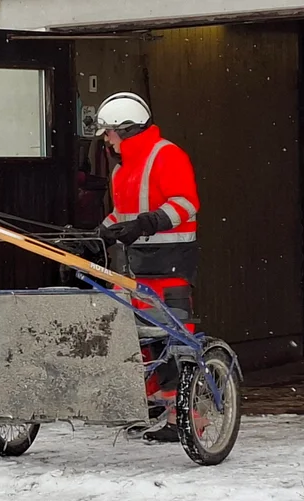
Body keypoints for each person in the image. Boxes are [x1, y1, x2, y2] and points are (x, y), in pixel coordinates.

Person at [93, 92, 200, 443]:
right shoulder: (122, 169)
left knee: (173, 339)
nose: (106, 140)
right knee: (137, 340)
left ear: (126, 129)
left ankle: (186, 416)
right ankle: (154, 406)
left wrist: (148, 222)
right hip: (135, 269)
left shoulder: (167, 156)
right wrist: (99, 235)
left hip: (169, 265)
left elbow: (186, 205)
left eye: (109, 133)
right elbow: (123, 216)